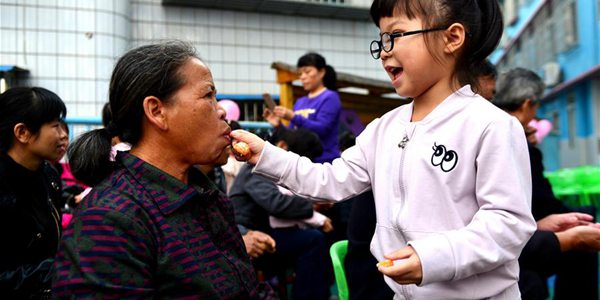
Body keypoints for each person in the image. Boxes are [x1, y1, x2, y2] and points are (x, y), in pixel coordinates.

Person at [230, 0, 537, 298]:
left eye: (395, 35)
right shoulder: (386, 127)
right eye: (381, 39)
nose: (384, 51)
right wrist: (265, 155)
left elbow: (508, 223)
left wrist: (430, 257)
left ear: (451, 37)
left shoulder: (491, 125)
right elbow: (329, 180)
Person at [53, 41, 274, 298]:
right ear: (157, 111)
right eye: (208, 95)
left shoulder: (207, 196)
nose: (223, 109)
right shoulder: (111, 219)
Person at [492, 67, 600, 300]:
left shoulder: (488, 129)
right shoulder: (518, 143)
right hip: (507, 242)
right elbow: (541, 203)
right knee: (582, 243)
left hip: (506, 233)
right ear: (527, 104)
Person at [229, 128, 332, 300]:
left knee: (317, 236)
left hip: (266, 230)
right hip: (248, 234)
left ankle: (320, 292)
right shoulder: (255, 169)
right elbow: (276, 204)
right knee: (313, 239)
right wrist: (313, 206)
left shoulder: (264, 171)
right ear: (283, 146)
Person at [0, 87, 67, 298]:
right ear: (22, 133)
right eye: (55, 126)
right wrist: (59, 269)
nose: (64, 134)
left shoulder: (48, 174)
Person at [264, 52, 341, 164]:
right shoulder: (301, 101)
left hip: (324, 161)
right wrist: (278, 125)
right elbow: (293, 136)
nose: (303, 77)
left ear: (322, 72)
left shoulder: (330, 97)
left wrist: (293, 117)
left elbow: (322, 129)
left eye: (307, 71)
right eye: (300, 74)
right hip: (301, 162)